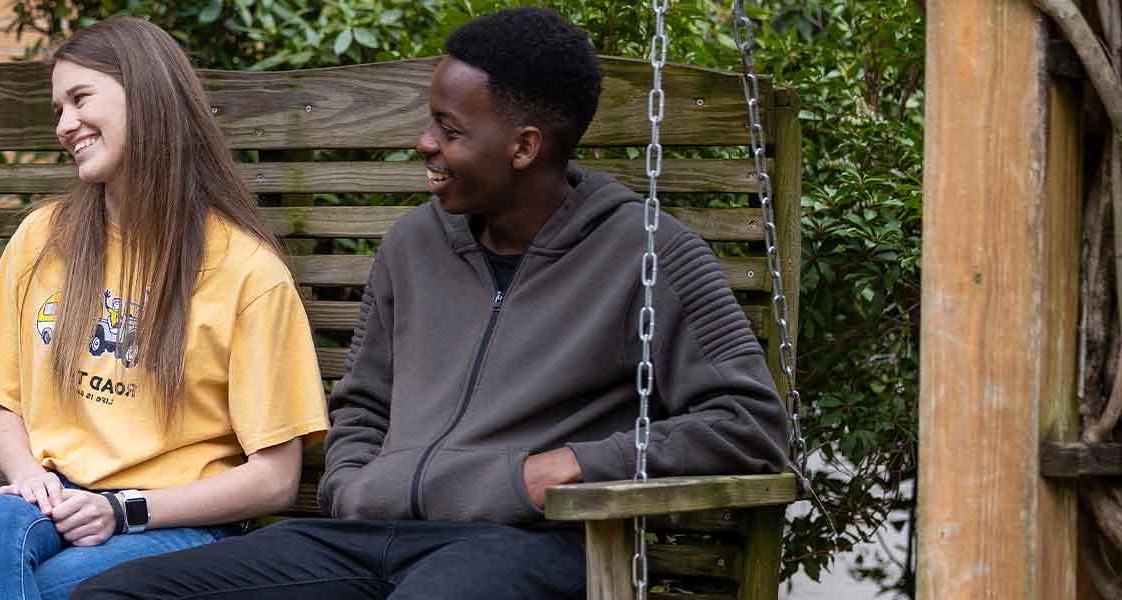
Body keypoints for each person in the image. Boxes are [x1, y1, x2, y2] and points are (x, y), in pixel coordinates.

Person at [74, 8, 790, 599]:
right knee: (114, 595)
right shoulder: (413, 245)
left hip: (522, 547)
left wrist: (568, 465)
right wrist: (354, 486)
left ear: (524, 146)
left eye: (449, 130)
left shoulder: (649, 253)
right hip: (363, 538)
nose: (425, 143)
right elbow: (362, 405)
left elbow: (750, 427)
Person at [0, 17, 332, 600]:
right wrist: (31, 481)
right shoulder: (42, 237)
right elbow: (4, 408)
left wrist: (125, 510)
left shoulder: (246, 271)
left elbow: (274, 479)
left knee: (45, 587)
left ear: (144, 96)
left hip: (177, 521)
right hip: (57, 500)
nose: (65, 125)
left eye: (80, 98)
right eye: (57, 109)